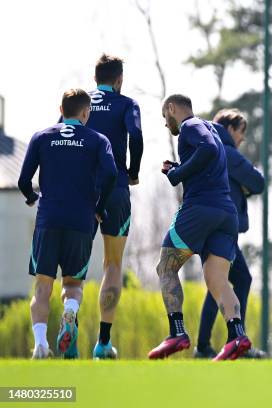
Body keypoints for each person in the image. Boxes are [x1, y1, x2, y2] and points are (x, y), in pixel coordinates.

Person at [148, 94, 251, 360]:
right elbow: (209, 156)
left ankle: (177, 332)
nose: (166, 124)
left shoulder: (190, 127)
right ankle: (237, 335)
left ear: (172, 108)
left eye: (164, 117)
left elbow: (206, 150)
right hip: (226, 213)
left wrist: (177, 174)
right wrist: (180, 168)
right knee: (217, 280)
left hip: (199, 209)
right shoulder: (211, 129)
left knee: (166, 266)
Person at [19, 89, 117, 359]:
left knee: (42, 288)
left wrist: (32, 198)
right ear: (86, 113)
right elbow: (110, 173)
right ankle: (70, 311)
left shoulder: (41, 137)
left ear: (61, 110)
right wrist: (99, 207)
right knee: (73, 285)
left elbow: (23, 181)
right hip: (81, 221)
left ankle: (40, 344)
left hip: (48, 220)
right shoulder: (98, 140)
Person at [85, 54, 144, 359]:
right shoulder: (126, 104)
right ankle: (103, 343)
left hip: (79, 192)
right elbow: (135, 133)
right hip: (116, 190)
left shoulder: (80, 103)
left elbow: (58, 133)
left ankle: (65, 319)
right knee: (112, 265)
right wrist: (133, 171)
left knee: (73, 268)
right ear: (119, 79)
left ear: (95, 78)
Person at [194, 108, 265, 359]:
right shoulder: (228, 152)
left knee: (221, 282)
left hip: (207, 226)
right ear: (231, 129)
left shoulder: (205, 147)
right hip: (223, 229)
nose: (242, 139)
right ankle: (235, 342)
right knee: (230, 281)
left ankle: (207, 345)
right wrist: (245, 182)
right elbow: (258, 182)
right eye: (241, 132)